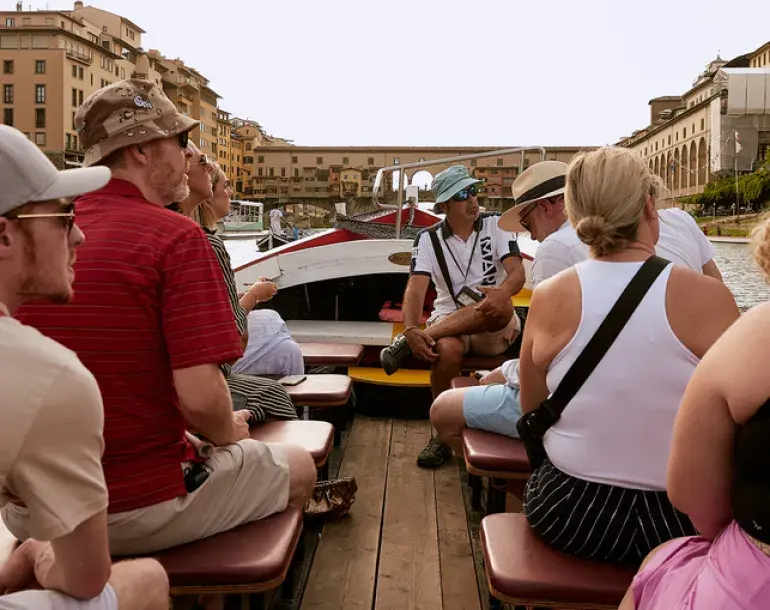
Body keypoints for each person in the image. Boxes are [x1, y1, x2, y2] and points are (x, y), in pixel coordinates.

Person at [8, 79, 316, 558]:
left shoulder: (43, 233)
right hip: (129, 506)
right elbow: (198, 396)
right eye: (179, 141)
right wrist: (223, 432)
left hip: (28, 509)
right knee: (298, 467)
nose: (187, 153)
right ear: (144, 152)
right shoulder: (177, 238)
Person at [518, 146, 739, 566]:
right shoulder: (708, 296)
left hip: (568, 510)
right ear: (649, 206)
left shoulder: (549, 295)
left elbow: (531, 408)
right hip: (682, 517)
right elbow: (738, 421)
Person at [0, 125, 169, 609]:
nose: (79, 233)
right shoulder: (48, 377)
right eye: (63, 214)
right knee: (147, 582)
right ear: (4, 235)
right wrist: (37, 552)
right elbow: (85, 578)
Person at [620, 217, 770, 609]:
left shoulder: (757, 336)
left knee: (662, 561)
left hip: (754, 576)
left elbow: (692, 494)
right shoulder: (717, 301)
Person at [379, 165, 526, 468]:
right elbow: (415, 289)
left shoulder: (496, 225)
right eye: (462, 195)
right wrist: (409, 328)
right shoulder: (427, 239)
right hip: (450, 321)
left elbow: (516, 274)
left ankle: (419, 341)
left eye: (474, 191)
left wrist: (503, 291)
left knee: (496, 307)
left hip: (495, 326)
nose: (473, 200)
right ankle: (441, 435)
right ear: (445, 206)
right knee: (448, 351)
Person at [430, 161, 572, 454]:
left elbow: (546, 352)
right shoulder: (604, 242)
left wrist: (504, 373)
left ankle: (423, 336)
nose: (530, 236)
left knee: (443, 409)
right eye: (462, 194)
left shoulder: (554, 249)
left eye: (527, 224)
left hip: (561, 398)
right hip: (583, 391)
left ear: (546, 207)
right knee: (450, 348)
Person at [190, 164, 298, 422]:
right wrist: (254, 295)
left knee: (280, 335)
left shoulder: (197, 240)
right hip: (205, 367)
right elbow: (233, 330)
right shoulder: (210, 244)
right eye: (225, 186)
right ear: (207, 197)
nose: (230, 191)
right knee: (282, 339)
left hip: (198, 359)